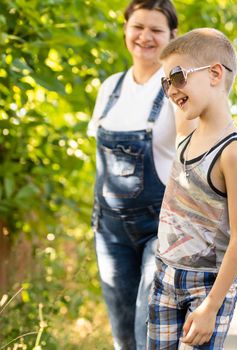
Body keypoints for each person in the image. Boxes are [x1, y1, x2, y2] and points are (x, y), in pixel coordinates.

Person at [148, 28, 237, 349]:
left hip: (207, 285)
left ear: (215, 73)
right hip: (165, 274)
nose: (170, 90)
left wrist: (211, 306)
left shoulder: (233, 150)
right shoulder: (187, 133)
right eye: (165, 82)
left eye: (177, 77)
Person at [88, 1, 178, 349]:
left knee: (148, 332)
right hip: (109, 233)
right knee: (123, 337)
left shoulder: (174, 87)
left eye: (156, 30)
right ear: (125, 29)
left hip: (159, 228)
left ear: (173, 36)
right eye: (138, 27)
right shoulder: (110, 87)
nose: (145, 37)